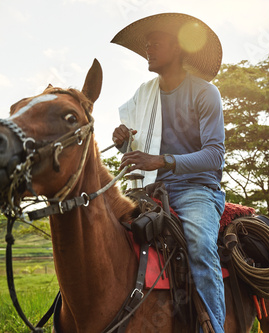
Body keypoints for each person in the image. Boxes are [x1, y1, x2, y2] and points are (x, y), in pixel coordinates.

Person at [111, 13, 226, 332]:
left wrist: (161, 161)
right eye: (147, 43)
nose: (148, 47)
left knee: (200, 246)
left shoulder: (205, 93)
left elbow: (215, 155)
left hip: (195, 191)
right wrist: (123, 143)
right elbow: (140, 146)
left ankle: (214, 327)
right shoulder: (143, 95)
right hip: (146, 190)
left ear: (177, 49)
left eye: (156, 42)